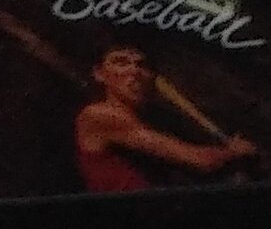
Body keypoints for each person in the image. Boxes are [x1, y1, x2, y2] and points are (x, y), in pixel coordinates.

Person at [73, 47, 257, 191]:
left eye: (142, 65)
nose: (134, 71)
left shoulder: (154, 119)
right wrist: (233, 151)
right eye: (121, 62)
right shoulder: (99, 115)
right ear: (99, 73)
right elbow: (199, 160)